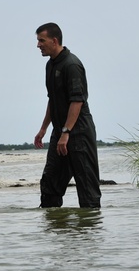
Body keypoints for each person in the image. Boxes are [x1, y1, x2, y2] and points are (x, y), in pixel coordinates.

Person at [33, 22, 101, 208]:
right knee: (50, 184)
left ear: (54, 41)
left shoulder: (72, 65)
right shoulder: (50, 65)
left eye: (41, 40)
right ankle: (56, 231)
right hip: (60, 131)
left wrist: (66, 132)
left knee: (87, 189)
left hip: (78, 133)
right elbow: (52, 99)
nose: (38, 45)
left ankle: (88, 233)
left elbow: (77, 101)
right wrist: (43, 128)